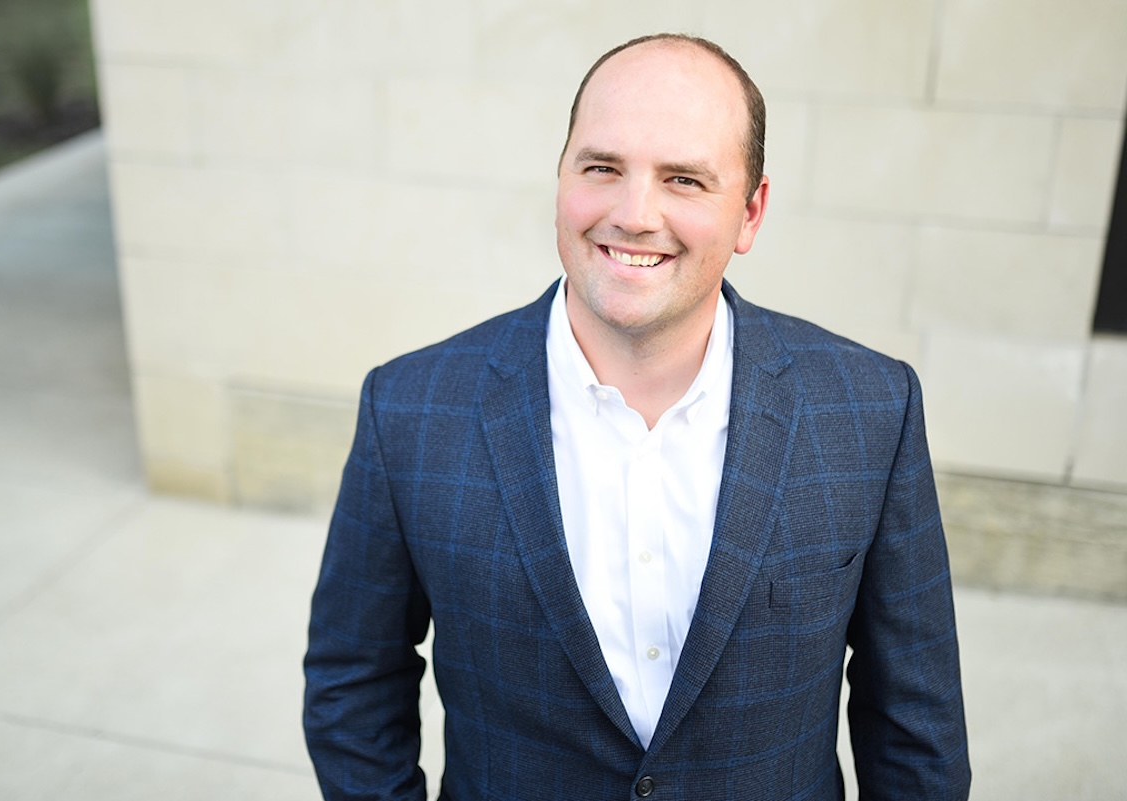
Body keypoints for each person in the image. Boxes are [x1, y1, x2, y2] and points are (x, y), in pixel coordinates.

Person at [304, 33, 970, 801]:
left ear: (750, 212)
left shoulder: (870, 411)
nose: (634, 213)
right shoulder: (411, 410)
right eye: (602, 168)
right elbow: (353, 684)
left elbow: (916, 726)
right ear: (561, 180)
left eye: (684, 179)